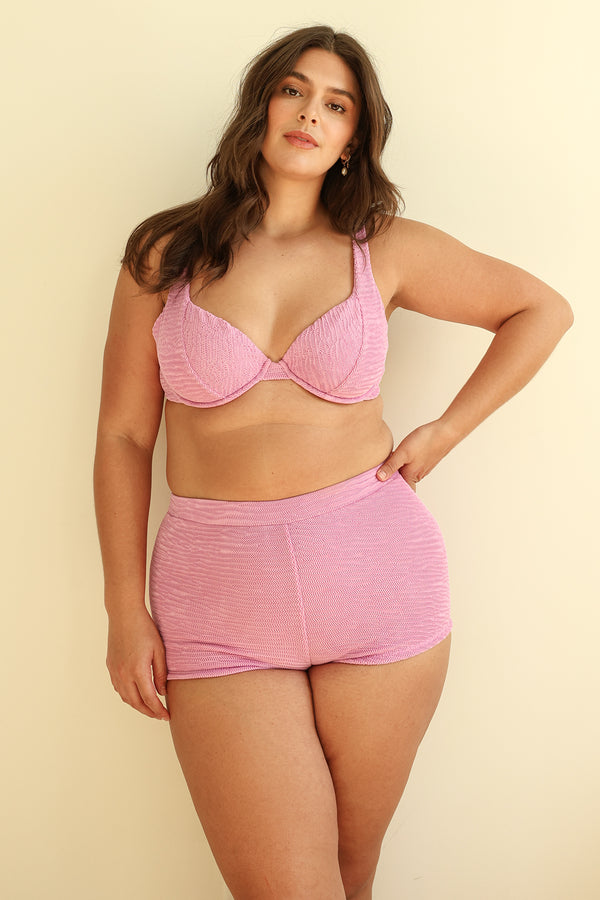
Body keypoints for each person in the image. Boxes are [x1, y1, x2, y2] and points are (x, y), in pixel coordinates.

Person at [93, 24, 573, 900]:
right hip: (219, 604)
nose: (310, 113)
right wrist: (125, 611)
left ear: (354, 138)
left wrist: (443, 432)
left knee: (351, 877)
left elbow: (541, 310)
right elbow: (125, 436)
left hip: (379, 587)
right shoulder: (165, 254)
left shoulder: (384, 247)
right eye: (294, 90)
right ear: (261, 107)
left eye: (336, 104)